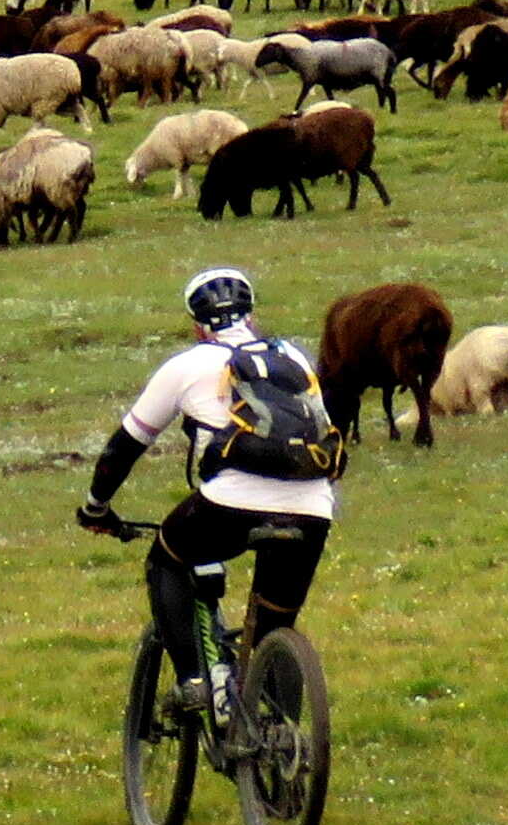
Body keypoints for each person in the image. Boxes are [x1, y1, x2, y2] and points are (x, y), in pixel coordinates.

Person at [80, 263, 340, 705]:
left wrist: (95, 507)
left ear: (197, 326)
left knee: (168, 557)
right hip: (312, 506)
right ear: (252, 315)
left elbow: (125, 446)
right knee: (275, 626)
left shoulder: (186, 365)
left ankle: (195, 681)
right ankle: (283, 751)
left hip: (229, 504)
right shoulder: (294, 359)